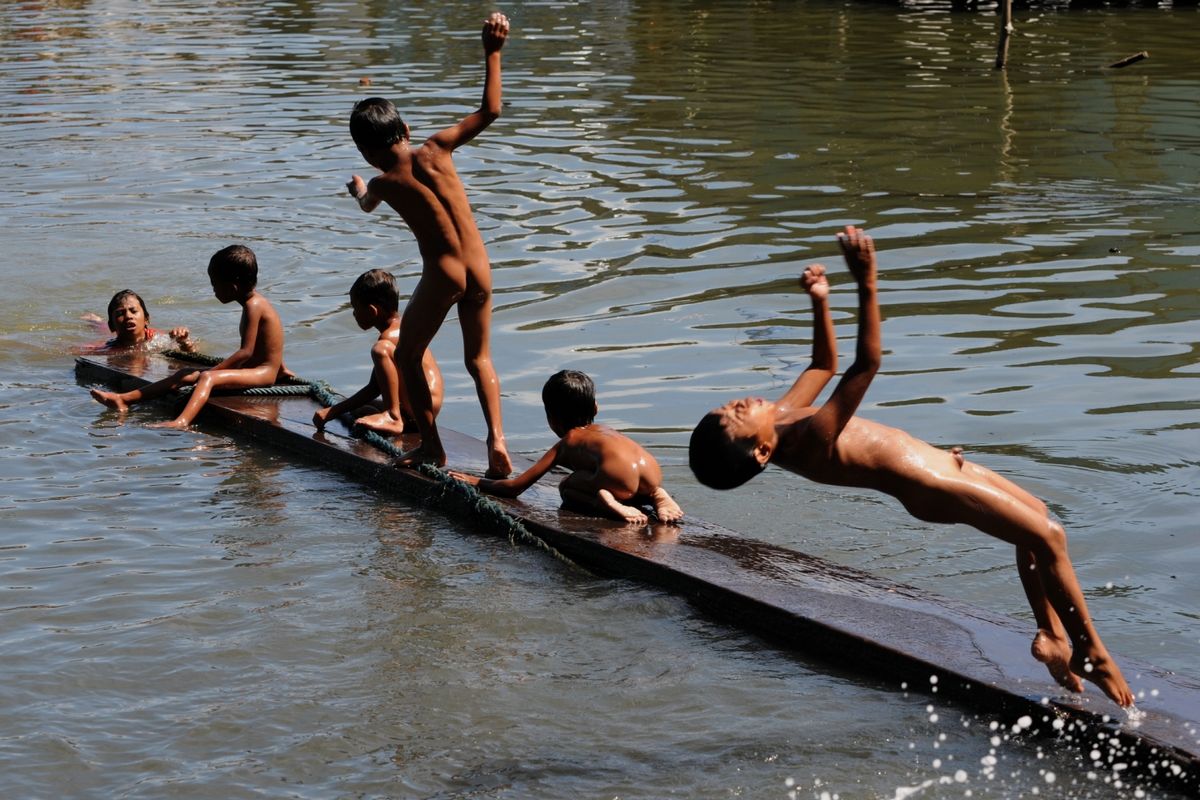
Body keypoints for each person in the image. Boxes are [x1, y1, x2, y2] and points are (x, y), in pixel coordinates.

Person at [688, 226, 1135, 709]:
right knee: (1049, 538)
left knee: (1037, 523)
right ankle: (1090, 649)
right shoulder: (808, 442)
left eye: (727, 406)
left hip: (942, 466)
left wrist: (820, 300)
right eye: (736, 416)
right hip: (930, 486)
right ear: (761, 453)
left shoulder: (779, 418)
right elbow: (865, 365)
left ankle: (1052, 637)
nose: (736, 402)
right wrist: (868, 282)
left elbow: (822, 365)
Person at [346, 11, 512, 477]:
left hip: (444, 275)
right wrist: (493, 53)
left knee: (406, 354)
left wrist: (360, 187)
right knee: (479, 357)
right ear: (406, 131)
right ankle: (497, 442)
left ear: (366, 152)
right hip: (480, 267)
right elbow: (491, 111)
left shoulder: (381, 183)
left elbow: (366, 204)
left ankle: (432, 447)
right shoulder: (437, 148)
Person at [90, 245, 287, 430]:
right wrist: (284, 371)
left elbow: (246, 352)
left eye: (214, 284)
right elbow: (269, 345)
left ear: (233, 287)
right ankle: (125, 399)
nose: (213, 290)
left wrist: (213, 372)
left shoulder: (254, 306)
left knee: (206, 377)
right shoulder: (254, 303)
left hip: (262, 374)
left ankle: (181, 421)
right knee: (184, 374)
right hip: (260, 370)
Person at [451, 370, 684, 525]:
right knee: (633, 485)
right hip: (651, 471)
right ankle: (656, 494)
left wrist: (476, 482)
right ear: (595, 408)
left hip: (615, 481)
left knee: (566, 486)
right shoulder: (608, 431)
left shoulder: (566, 443)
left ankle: (605, 501)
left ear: (551, 418)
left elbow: (515, 487)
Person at [312, 268, 443, 436]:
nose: (353, 313)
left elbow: (376, 386)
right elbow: (375, 387)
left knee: (379, 350)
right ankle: (395, 414)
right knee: (362, 410)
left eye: (355, 308)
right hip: (425, 407)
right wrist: (332, 411)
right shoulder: (403, 328)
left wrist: (331, 412)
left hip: (421, 407)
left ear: (373, 311)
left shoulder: (386, 342)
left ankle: (393, 416)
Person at [81, 289, 196, 353]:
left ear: (146, 319)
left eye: (133, 311)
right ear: (112, 326)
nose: (128, 316)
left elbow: (191, 354)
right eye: (120, 313)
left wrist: (184, 342)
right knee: (103, 330)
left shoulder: (160, 340)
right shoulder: (108, 348)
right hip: (114, 337)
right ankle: (97, 322)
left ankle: (98, 321)